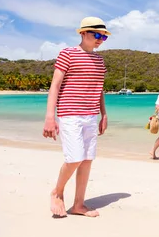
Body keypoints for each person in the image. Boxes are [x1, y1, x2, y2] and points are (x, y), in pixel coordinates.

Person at [43, 17, 110, 218]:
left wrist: (103, 113)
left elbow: (99, 90)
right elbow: (55, 85)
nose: (100, 39)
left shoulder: (99, 60)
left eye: (103, 37)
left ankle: (79, 205)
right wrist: (50, 116)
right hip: (69, 114)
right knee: (74, 159)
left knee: (87, 160)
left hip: (90, 116)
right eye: (96, 35)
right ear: (83, 33)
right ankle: (58, 191)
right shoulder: (68, 54)